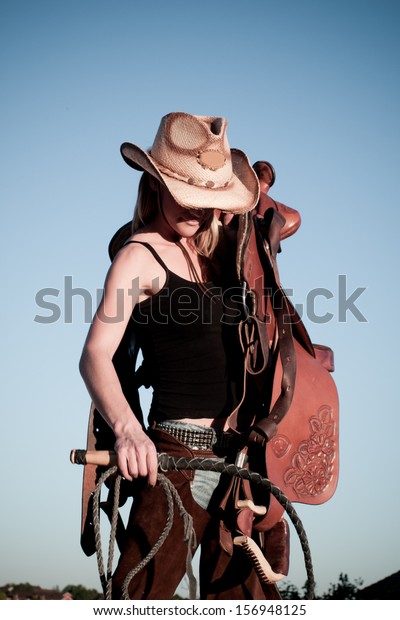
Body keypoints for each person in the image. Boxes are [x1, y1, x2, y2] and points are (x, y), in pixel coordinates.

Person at [79, 112, 281, 600]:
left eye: (207, 199)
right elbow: (95, 355)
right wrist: (129, 431)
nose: (196, 209)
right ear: (155, 184)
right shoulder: (137, 257)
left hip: (240, 460)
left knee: (249, 605)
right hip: (177, 457)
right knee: (138, 601)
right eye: (185, 195)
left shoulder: (217, 256)